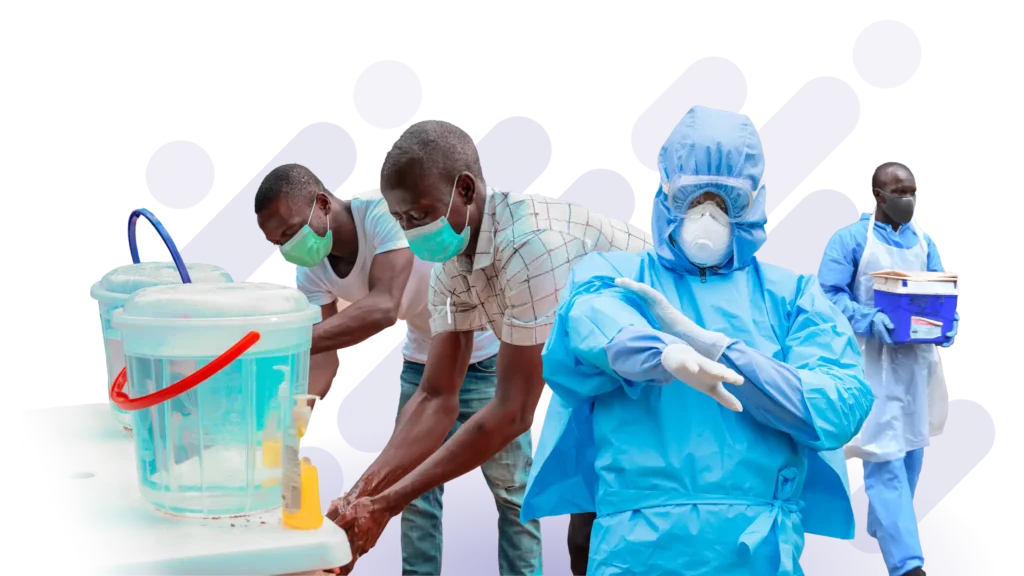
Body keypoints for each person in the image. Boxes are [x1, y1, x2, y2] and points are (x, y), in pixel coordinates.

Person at [521, 106, 876, 576]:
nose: (707, 215)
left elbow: (838, 403)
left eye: (726, 200)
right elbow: (589, 318)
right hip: (638, 549)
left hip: (757, 551)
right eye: (692, 197)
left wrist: (723, 353)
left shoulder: (793, 297)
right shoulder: (615, 274)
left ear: (753, 202)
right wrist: (663, 353)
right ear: (665, 190)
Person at [329, 119, 654, 576]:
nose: (412, 232)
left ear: (464, 189)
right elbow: (435, 398)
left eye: (418, 216)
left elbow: (512, 413)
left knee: (616, 538)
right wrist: (358, 496)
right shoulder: (450, 262)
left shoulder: (529, 245)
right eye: (400, 220)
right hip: (601, 382)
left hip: (662, 363)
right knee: (587, 538)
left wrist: (385, 504)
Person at [254, 163, 540, 576]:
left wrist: (289, 340)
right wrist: (298, 414)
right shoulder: (311, 270)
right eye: (278, 242)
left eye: (290, 231)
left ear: (321, 203)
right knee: (412, 497)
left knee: (513, 493)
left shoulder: (381, 211)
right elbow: (323, 352)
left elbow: (384, 306)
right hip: (426, 358)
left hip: (486, 351)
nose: (288, 247)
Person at [817, 160, 959, 576]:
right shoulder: (848, 241)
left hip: (917, 367)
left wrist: (947, 326)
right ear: (877, 196)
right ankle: (907, 565)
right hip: (871, 365)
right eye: (900, 193)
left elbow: (939, 290)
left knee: (911, 457)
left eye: (912, 191)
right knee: (884, 460)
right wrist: (866, 319)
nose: (908, 200)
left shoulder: (922, 240)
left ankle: (886, 525)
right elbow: (827, 295)